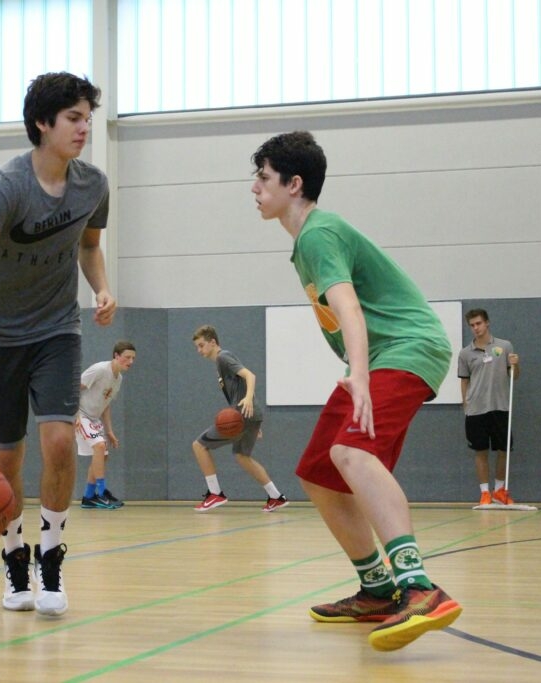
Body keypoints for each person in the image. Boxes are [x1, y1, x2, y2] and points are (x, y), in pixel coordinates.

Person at [250, 131, 462, 652]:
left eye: (263, 177)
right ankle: (377, 590)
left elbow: (348, 308)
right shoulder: (308, 240)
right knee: (318, 472)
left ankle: (419, 587)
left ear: (294, 184)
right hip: (382, 356)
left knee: (351, 452)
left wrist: (360, 375)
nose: (254, 187)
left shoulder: (319, 234)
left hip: (407, 349)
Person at [0, 72, 116, 617]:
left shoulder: (93, 186)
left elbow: (89, 246)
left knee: (58, 441)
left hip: (57, 329)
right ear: (42, 123)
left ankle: (51, 556)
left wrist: (101, 286)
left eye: (88, 118)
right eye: (73, 118)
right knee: (6, 455)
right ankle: (14, 557)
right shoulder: (7, 188)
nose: (84, 128)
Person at [190, 325, 289, 513]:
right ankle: (276, 496)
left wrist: (248, 400)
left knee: (199, 445)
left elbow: (250, 375)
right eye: (197, 347)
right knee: (242, 456)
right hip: (250, 416)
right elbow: (240, 387)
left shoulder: (223, 357)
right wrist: (253, 419)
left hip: (242, 415)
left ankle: (215, 493)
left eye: (201, 345)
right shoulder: (220, 363)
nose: (199, 350)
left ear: (213, 342)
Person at [459, 309, 521, 506]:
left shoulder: (504, 346)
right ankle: (485, 493)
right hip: (476, 409)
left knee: (503, 449)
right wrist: (466, 404)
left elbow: (514, 375)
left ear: (487, 323)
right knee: (480, 451)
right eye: (472, 325)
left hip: (500, 406)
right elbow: (464, 381)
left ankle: (499, 491)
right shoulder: (465, 353)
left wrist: (516, 365)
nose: (475, 328)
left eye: (478, 323)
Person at [77, 340, 136, 509]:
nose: (131, 361)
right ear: (116, 356)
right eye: (127, 357)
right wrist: (74, 415)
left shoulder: (118, 378)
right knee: (99, 446)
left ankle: (89, 496)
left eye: (133, 358)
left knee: (102, 454)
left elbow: (106, 404)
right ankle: (102, 492)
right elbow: (73, 388)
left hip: (94, 418)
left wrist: (109, 430)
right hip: (81, 413)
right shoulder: (100, 369)